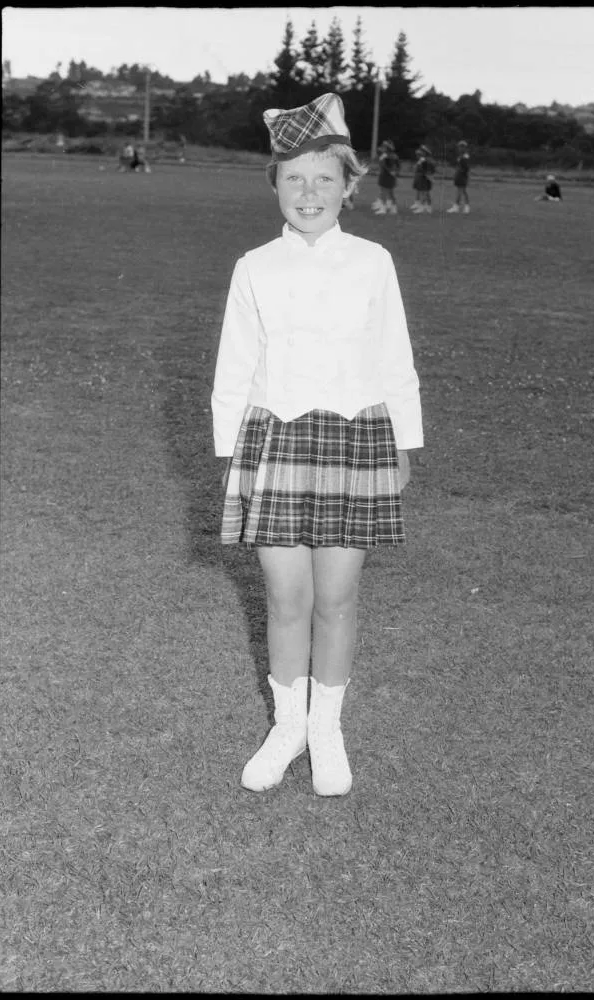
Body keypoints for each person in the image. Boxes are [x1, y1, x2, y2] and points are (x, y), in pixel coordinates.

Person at [211, 92, 423, 797]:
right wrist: (231, 456)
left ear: (347, 186)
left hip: (356, 437)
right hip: (273, 440)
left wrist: (404, 442)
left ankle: (326, 729)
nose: (309, 193)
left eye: (324, 179)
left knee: (336, 597)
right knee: (285, 597)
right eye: (294, 178)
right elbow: (234, 366)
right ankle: (288, 727)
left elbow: (394, 356)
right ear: (274, 183)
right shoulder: (253, 265)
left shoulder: (372, 261)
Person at [372, 140, 400, 214]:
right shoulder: (394, 155)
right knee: (390, 192)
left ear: (387, 148)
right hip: (389, 175)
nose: (382, 148)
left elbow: (385, 165)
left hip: (386, 175)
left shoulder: (386, 156)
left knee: (384, 192)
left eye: (384, 147)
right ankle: (394, 208)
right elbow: (398, 166)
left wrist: (391, 171)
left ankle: (383, 208)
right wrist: (395, 172)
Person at [410, 144, 436, 213]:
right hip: (423, 177)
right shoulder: (425, 159)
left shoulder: (427, 160)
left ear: (425, 152)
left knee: (424, 192)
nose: (421, 152)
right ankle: (428, 207)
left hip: (425, 177)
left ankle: (422, 207)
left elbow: (429, 170)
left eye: (422, 151)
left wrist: (430, 177)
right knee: (425, 192)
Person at [447, 139, 471, 214]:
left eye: (461, 147)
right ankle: (466, 207)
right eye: (459, 147)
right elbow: (459, 166)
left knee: (460, 191)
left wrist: (467, 177)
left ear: (464, 148)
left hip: (462, 176)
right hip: (459, 175)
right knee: (462, 191)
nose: (459, 148)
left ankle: (457, 207)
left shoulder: (465, 156)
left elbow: (466, 168)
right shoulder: (460, 156)